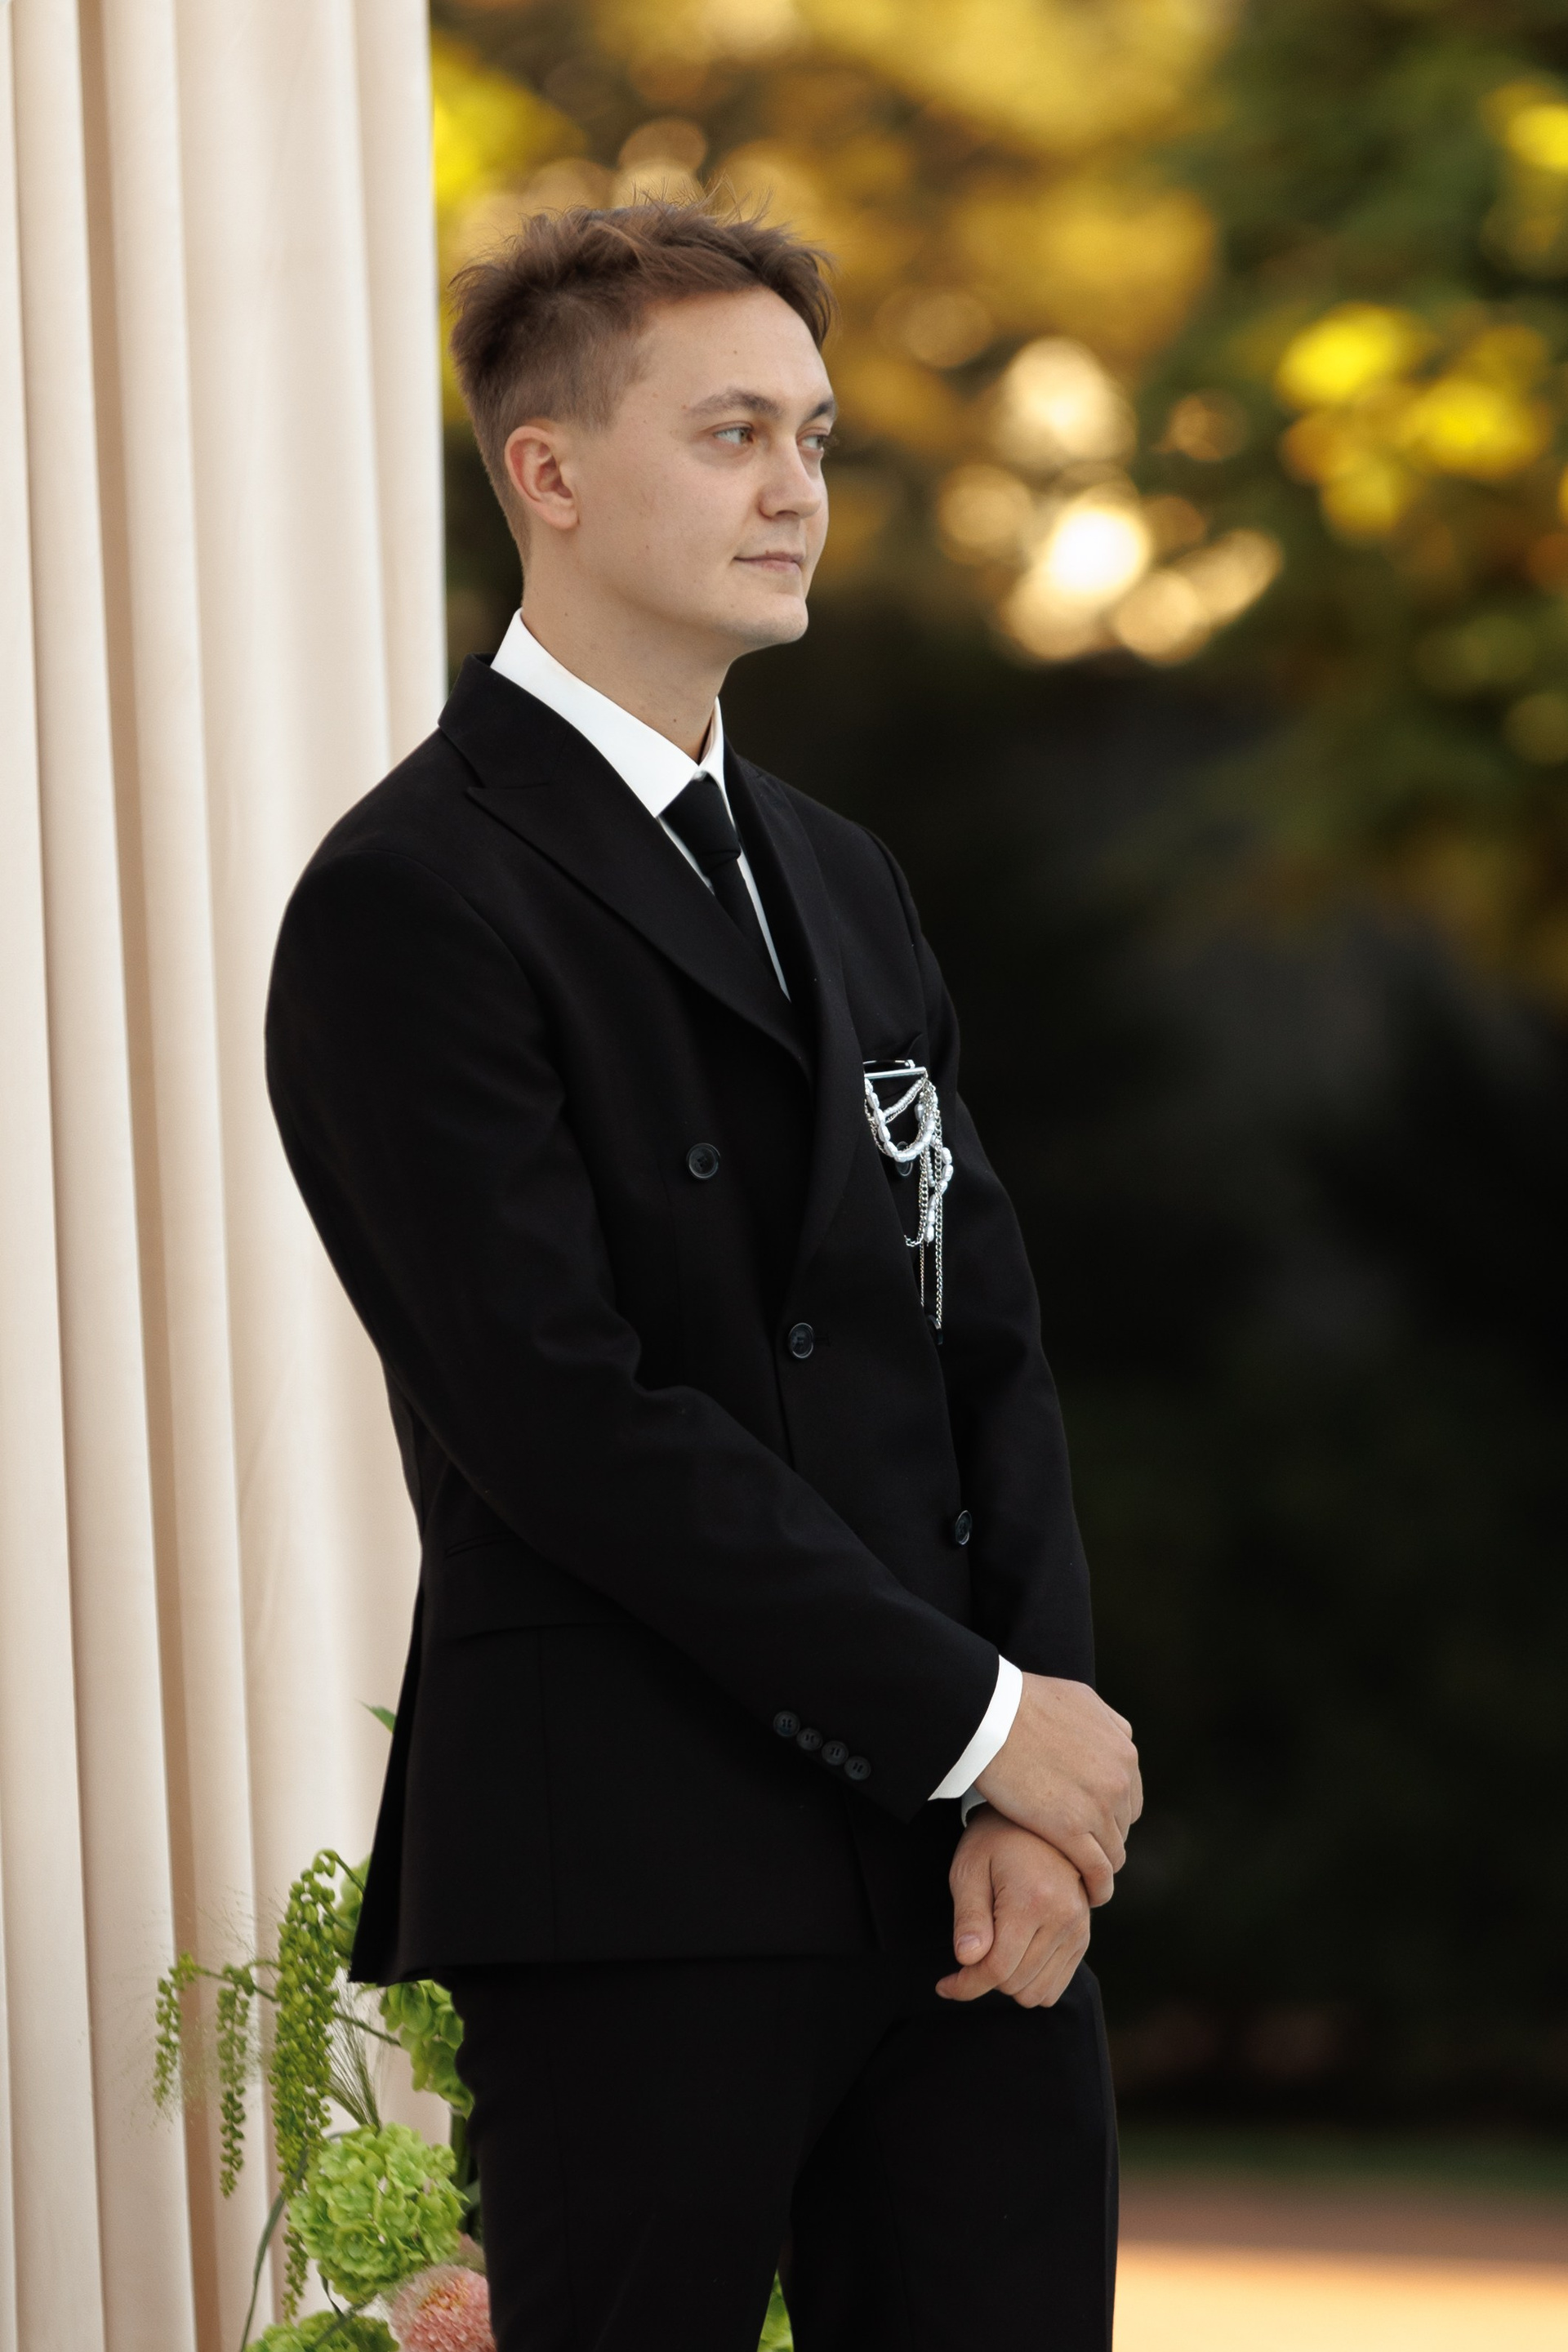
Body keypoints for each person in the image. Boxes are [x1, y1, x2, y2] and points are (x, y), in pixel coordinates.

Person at [265, 200, 1141, 2352]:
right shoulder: (408, 896)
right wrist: (980, 1723)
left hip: (963, 1876)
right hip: (635, 1870)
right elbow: (559, 1415)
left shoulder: (845, 878)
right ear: (547, 471)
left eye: (815, 437)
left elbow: (984, 1346)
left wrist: (1032, 1784)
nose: (797, 488)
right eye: (733, 432)